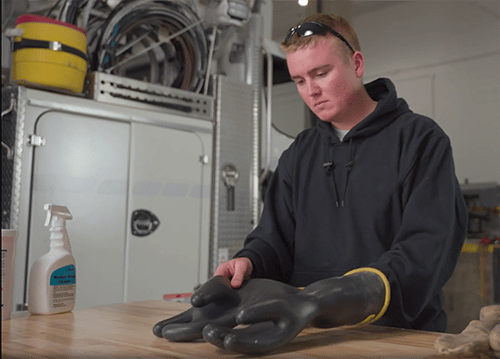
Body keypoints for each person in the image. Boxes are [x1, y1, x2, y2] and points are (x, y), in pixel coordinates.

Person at [154, 13, 468, 354]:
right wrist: (248, 262)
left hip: (398, 337)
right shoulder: (297, 154)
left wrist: (323, 300)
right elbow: (274, 240)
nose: (311, 91)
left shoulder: (421, 140)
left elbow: (424, 254)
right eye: (299, 80)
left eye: (321, 73)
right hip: (306, 337)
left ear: (357, 64)